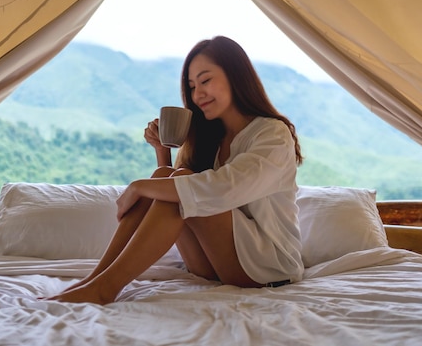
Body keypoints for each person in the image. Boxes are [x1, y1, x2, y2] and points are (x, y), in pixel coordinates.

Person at [46, 35, 304, 305]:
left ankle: (105, 287)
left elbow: (224, 188)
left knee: (178, 184)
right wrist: (162, 152)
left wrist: (138, 186)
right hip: (217, 265)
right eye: (192, 86)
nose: (197, 94)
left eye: (205, 81)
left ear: (236, 76)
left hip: (269, 267)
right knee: (165, 179)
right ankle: (95, 280)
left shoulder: (272, 134)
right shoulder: (214, 137)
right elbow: (176, 200)